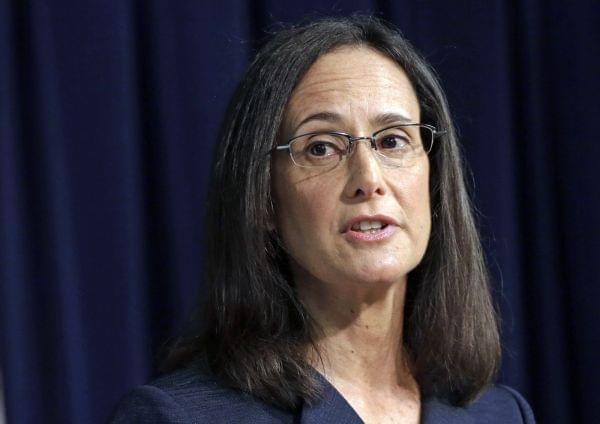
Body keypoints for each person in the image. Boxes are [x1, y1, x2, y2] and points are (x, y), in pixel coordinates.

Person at [110, 16, 535, 423]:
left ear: (435, 181)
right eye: (321, 148)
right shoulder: (178, 417)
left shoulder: (499, 414)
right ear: (263, 201)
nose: (368, 179)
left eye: (392, 140)